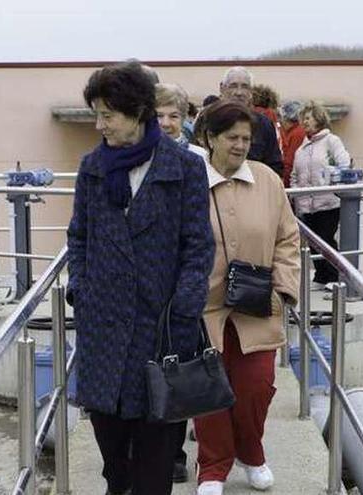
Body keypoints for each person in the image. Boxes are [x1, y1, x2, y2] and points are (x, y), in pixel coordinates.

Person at [67, 61, 215, 495]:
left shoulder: (183, 168)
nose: (99, 124)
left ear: (137, 112)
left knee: (154, 470)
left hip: (162, 332)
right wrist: (81, 288)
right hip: (104, 333)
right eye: (97, 114)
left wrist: (185, 309)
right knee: (115, 467)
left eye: (107, 115)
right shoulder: (93, 167)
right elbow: (79, 236)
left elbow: (198, 246)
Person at [192, 101, 301, 495]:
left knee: (257, 386)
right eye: (231, 137)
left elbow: (288, 237)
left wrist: (284, 285)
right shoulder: (190, 180)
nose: (240, 146)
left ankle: (251, 453)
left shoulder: (268, 180)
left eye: (246, 138)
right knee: (208, 391)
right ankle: (213, 467)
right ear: (209, 138)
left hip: (257, 302)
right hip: (203, 307)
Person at [154, 81, 208, 483]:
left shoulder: (196, 160)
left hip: (182, 280)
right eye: (159, 115)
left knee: (177, 369)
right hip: (144, 284)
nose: (168, 123)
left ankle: (173, 452)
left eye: (175, 115)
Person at [290, 100, 351, 289]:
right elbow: (294, 174)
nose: (305, 122)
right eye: (303, 119)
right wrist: (295, 194)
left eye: (308, 118)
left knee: (326, 238)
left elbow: (344, 162)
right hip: (306, 204)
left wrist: (331, 179)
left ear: (318, 119)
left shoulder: (331, 140)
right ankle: (321, 276)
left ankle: (335, 275)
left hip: (328, 202)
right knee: (313, 242)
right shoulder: (302, 148)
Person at [218, 67, 284, 177]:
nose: (239, 92)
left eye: (245, 87)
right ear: (222, 88)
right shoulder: (207, 120)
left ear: (251, 92)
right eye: (233, 86)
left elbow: (275, 166)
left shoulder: (264, 125)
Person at [279, 100, 306, 188]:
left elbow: (290, 162)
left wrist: (284, 185)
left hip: (291, 181)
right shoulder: (290, 132)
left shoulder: (297, 133)